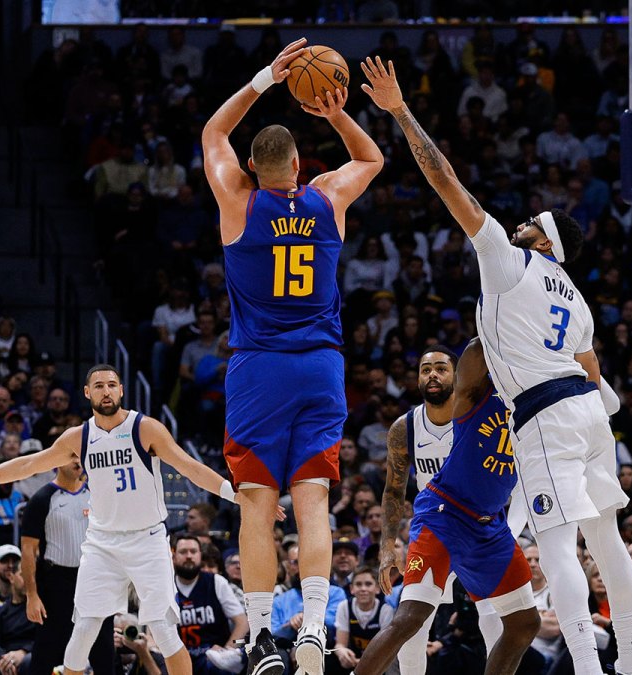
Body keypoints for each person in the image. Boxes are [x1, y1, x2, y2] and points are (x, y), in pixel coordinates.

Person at [362, 55, 632, 675]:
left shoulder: (510, 264)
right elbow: (597, 377)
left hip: (544, 413)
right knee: (609, 539)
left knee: (559, 547)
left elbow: (446, 182)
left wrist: (400, 111)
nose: (520, 223)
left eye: (532, 224)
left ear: (545, 243)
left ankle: (592, 672)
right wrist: (606, 408)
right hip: (589, 412)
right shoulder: (577, 298)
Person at [202, 37, 384, 675]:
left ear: (252, 166)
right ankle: (310, 629)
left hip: (260, 367)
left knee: (257, 502)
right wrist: (333, 110)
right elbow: (373, 156)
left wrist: (264, 80)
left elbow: (211, 131)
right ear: (302, 164)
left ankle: (258, 639)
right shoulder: (329, 198)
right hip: (321, 366)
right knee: (312, 501)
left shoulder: (235, 200)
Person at [0, 364, 281, 675]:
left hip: (147, 540)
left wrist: (240, 498)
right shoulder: (78, 437)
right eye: (99, 386)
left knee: (163, 628)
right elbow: (27, 463)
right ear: (87, 393)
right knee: (83, 628)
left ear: (121, 389)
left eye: (112, 385)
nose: (106, 391)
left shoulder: (145, 428)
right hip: (102, 543)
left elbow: (189, 468)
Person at [355, 339, 540, 675]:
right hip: (442, 517)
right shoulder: (442, 412)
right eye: (426, 369)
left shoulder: (524, 405)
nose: (433, 375)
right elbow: (393, 491)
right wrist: (386, 547)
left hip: (487, 523)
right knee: (412, 621)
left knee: (522, 621)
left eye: (441, 368)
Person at [20, 456, 114, 675]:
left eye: (80, 456)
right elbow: (27, 551)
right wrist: (32, 596)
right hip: (56, 584)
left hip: (95, 581)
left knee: (104, 653)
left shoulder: (98, 494)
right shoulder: (42, 499)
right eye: (71, 456)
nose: (77, 461)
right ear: (56, 460)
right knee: (45, 654)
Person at [171, 534, 248, 674]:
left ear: (200, 555)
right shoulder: (166, 587)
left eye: (193, 551)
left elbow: (242, 622)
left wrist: (226, 651)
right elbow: (151, 633)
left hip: (212, 657)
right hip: (178, 658)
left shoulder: (216, 582)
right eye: (183, 552)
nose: (189, 556)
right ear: (173, 556)